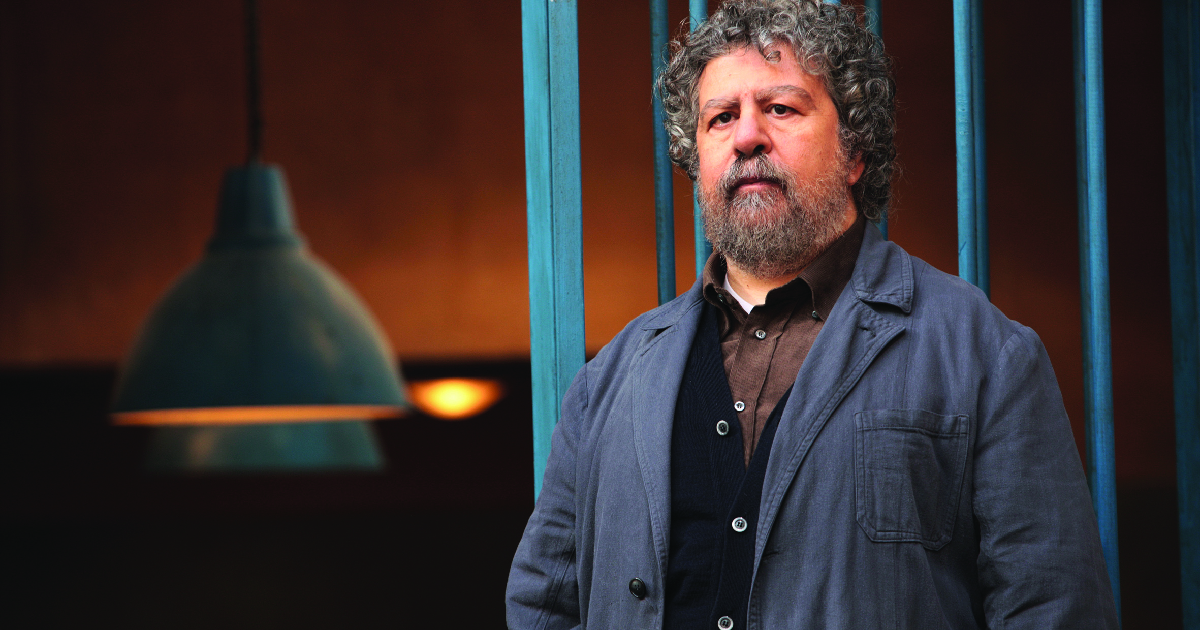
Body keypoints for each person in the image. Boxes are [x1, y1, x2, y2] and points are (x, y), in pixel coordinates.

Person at [506, 1, 1120, 628]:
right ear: (697, 162)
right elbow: (543, 604)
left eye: (780, 108)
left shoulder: (984, 354)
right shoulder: (608, 381)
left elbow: (1054, 609)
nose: (746, 136)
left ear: (855, 152)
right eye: (721, 117)